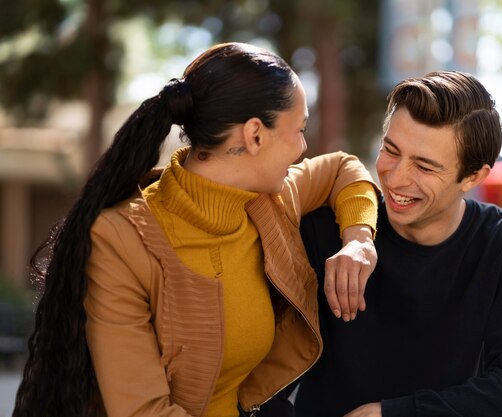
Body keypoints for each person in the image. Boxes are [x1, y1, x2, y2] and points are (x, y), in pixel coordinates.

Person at [12, 42, 380, 417]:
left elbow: (342, 168)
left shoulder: (267, 199)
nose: (303, 148)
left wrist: (359, 240)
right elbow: (144, 412)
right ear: (254, 135)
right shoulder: (121, 241)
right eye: (299, 130)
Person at [288, 71, 502, 416]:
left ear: (473, 177)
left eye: (425, 167)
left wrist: (389, 413)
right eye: (391, 150)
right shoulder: (329, 232)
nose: (396, 178)